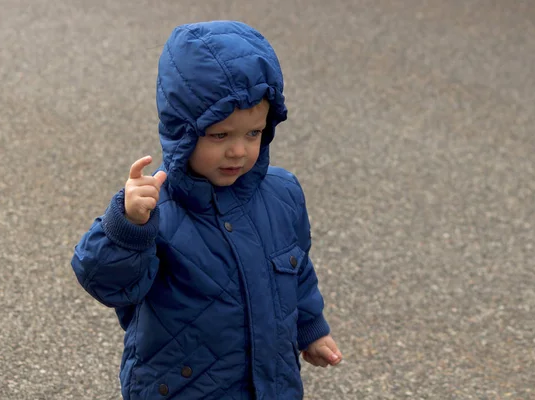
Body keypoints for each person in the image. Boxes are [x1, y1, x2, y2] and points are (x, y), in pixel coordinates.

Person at [71, 20, 342, 399]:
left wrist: (311, 328)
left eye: (253, 133)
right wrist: (128, 226)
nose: (238, 151)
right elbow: (107, 282)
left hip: (271, 385)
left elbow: (296, 270)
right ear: (182, 131)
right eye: (220, 135)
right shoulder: (154, 210)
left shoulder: (281, 194)